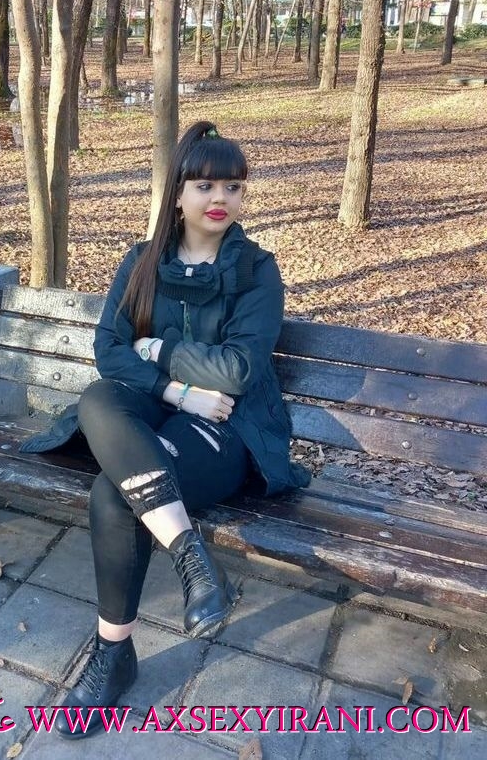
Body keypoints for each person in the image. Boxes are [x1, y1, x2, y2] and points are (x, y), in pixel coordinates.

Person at [28, 121, 310, 739]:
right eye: (205, 184)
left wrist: (158, 349)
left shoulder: (256, 270)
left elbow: (238, 371)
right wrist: (176, 389)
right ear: (178, 194)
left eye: (233, 186)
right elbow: (109, 351)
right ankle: (191, 557)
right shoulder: (143, 262)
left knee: (114, 493)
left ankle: (112, 655)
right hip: (162, 411)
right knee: (99, 398)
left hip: (228, 431)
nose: (221, 198)